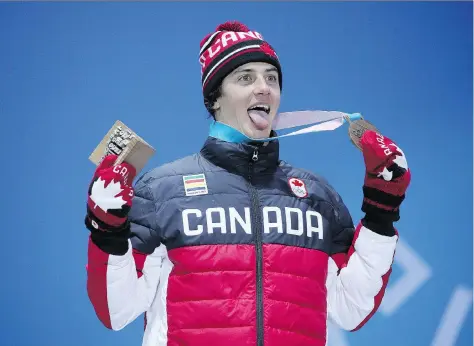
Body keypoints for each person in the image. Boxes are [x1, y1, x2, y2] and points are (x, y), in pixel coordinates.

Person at [84, 20, 411, 346]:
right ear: (215, 98)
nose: (264, 87)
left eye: (271, 78)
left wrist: (382, 211)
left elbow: (352, 308)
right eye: (246, 78)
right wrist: (107, 230)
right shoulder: (161, 192)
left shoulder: (317, 197)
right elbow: (117, 311)